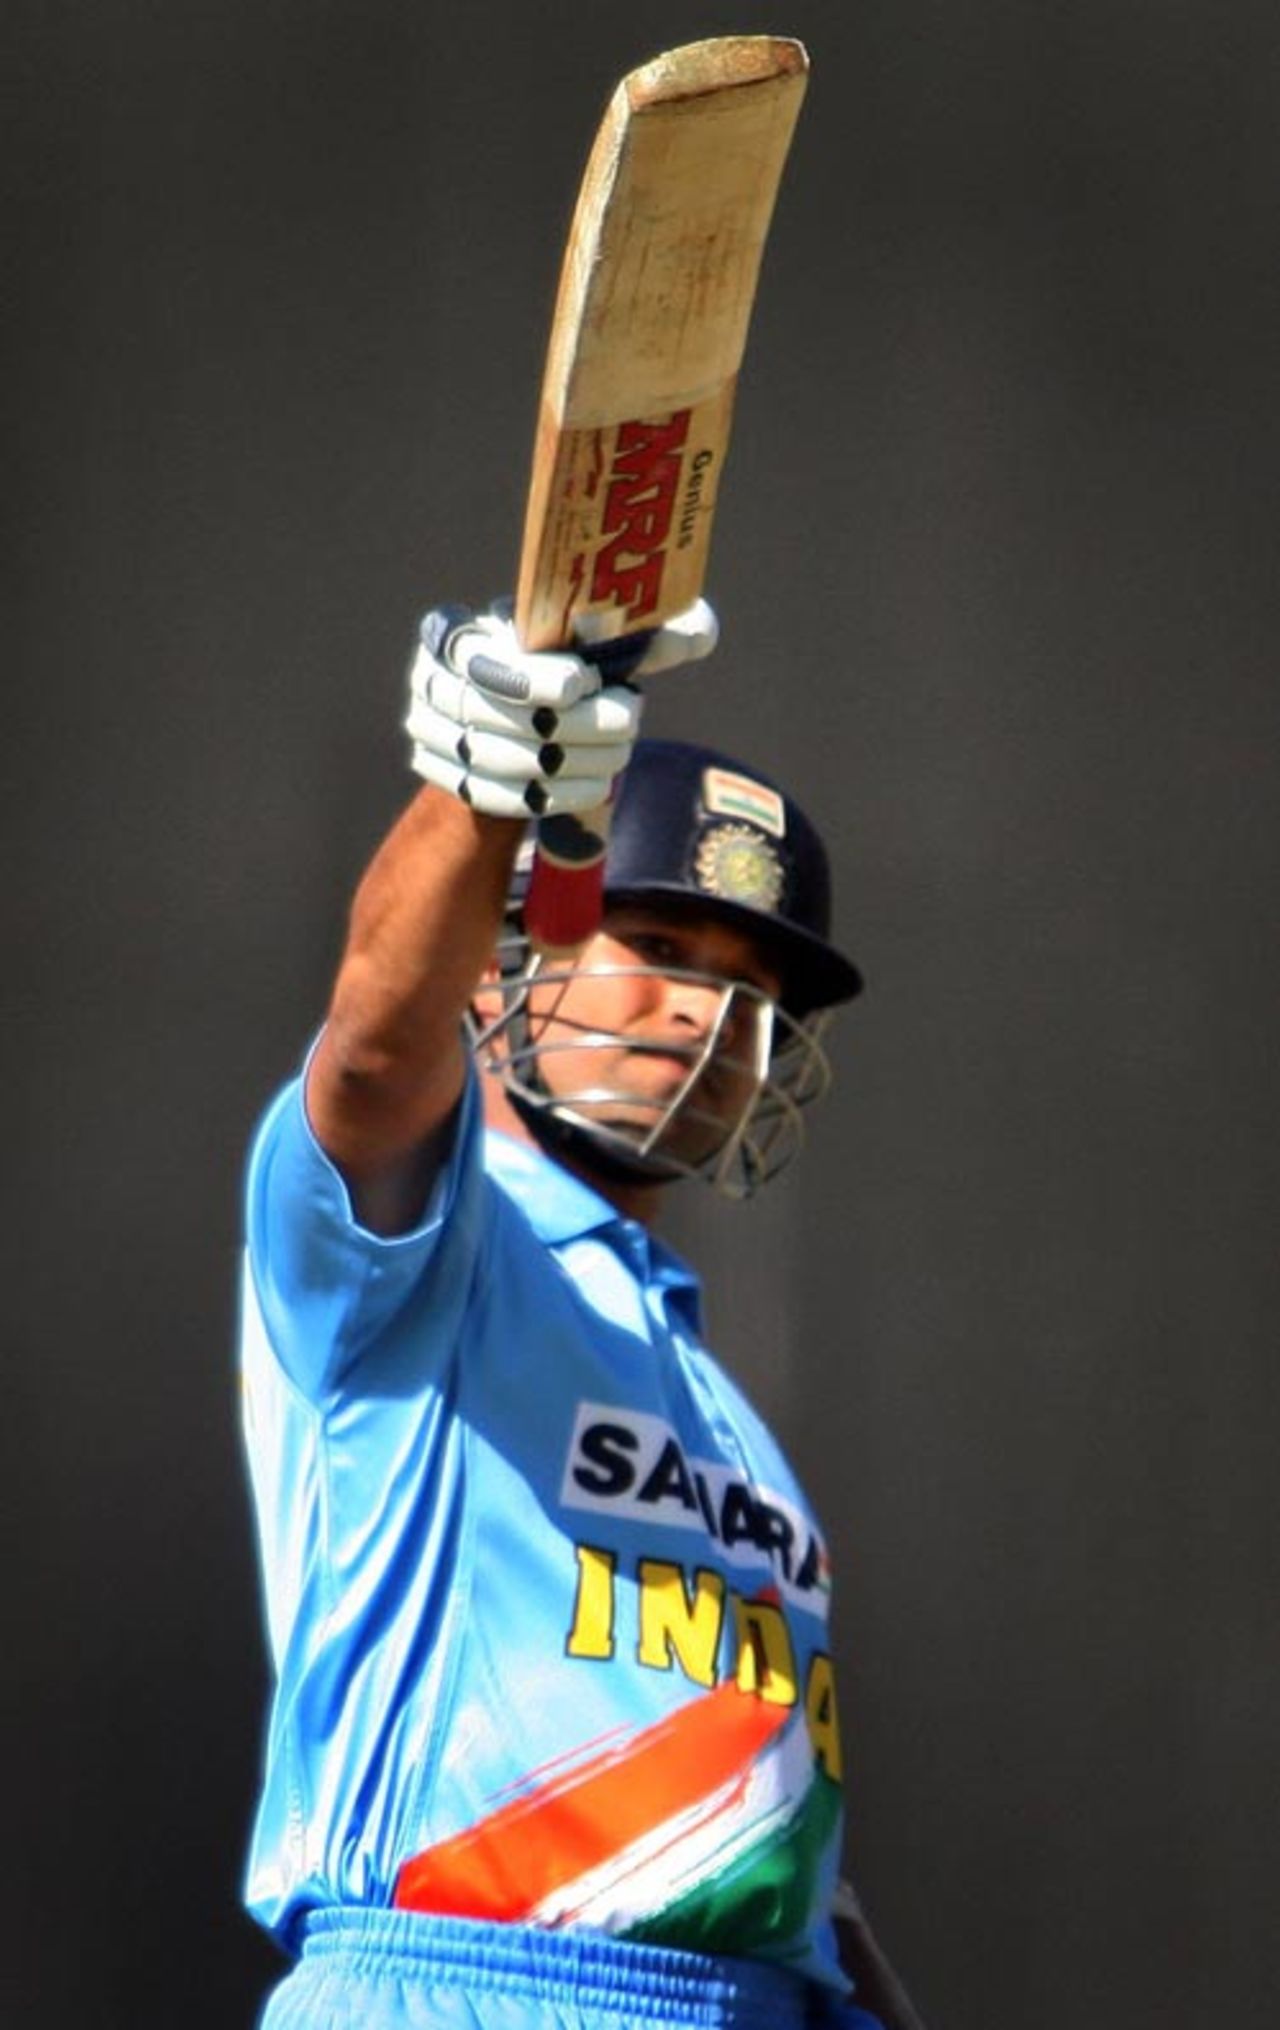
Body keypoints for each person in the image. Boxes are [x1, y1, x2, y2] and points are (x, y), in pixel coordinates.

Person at [238, 599, 927, 2030]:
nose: (711, 1018)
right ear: (498, 960)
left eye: (754, 987)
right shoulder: (422, 1255)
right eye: (662, 942)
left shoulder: (735, 1432)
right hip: (457, 1985)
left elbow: (775, 1851)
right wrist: (481, 790)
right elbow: (371, 1056)